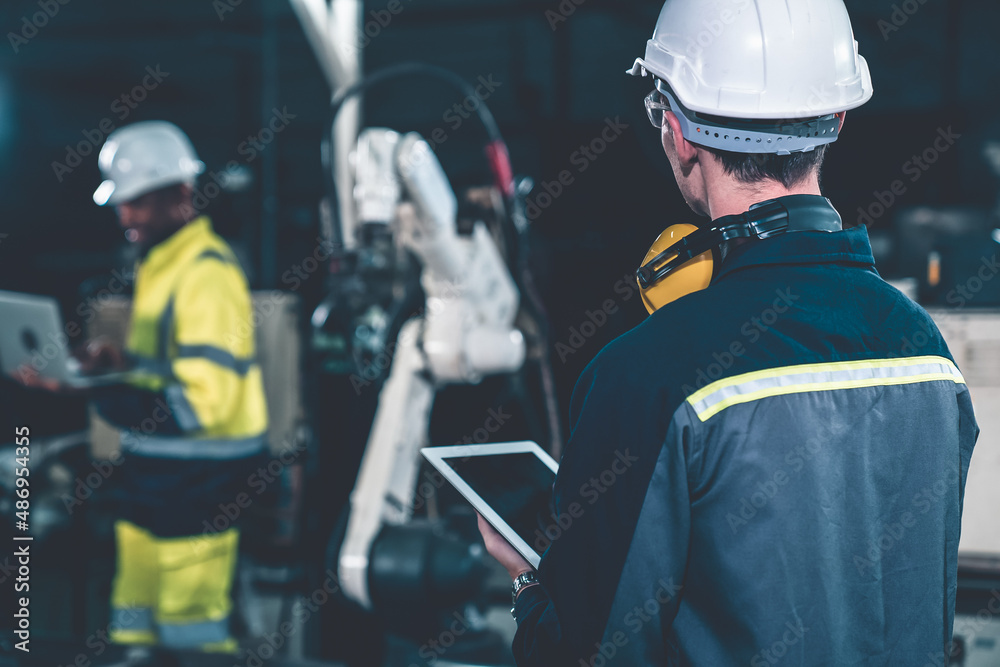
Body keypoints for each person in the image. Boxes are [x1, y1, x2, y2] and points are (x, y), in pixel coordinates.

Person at [479, 0, 979, 664]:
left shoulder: (645, 375)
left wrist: (531, 583)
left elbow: (587, 652)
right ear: (836, 118)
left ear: (679, 134)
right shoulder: (929, 353)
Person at [59, 121, 266, 651]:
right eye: (122, 204)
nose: (125, 216)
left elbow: (204, 404)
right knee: (137, 611)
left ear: (181, 196)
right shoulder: (161, 263)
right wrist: (112, 363)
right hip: (156, 471)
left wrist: (93, 390)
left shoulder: (206, 273)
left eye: (138, 203)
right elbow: (165, 368)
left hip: (202, 482)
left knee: (190, 625)